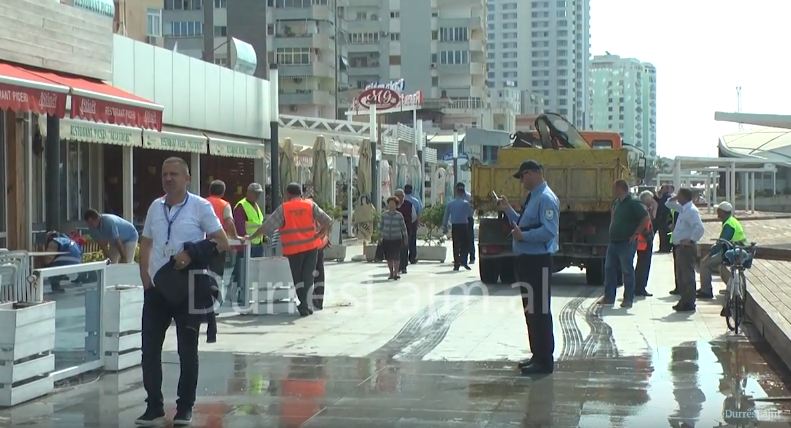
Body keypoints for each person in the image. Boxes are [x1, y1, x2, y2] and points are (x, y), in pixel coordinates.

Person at [136, 157, 229, 426]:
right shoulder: (155, 206)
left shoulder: (200, 206)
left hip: (187, 288)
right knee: (149, 350)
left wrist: (192, 253)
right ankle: (154, 406)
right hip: (156, 289)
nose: (168, 178)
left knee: (187, 351)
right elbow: (146, 241)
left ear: (187, 178)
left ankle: (184, 407)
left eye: (174, 174)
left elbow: (222, 242)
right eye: (165, 174)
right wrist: (145, 276)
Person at [497, 160, 559, 375]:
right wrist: (508, 210)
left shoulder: (546, 198)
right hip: (527, 260)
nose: (522, 181)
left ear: (534, 173)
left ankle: (545, 360)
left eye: (523, 176)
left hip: (538, 261)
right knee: (531, 311)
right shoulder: (533, 197)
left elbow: (549, 231)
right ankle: (537, 355)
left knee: (540, 311)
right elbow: (524, 223)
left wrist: (524, 237)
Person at [252, 183, 332, 316]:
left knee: (298, 278)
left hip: (293, 250)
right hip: (311, 248)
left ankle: (304, 304)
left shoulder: (284, 208)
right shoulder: (310, 205)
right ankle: (306, 304)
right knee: (308, 277)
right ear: (300, 193)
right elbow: (327, 220)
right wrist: (321, 233)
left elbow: (267, 227)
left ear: (287, 194)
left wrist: (251, 237)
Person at [599, 180, 649, 308]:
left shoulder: (633, 202)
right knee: (609, 269)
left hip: (626, 242)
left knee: (627, 271)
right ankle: (609, 297)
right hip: (613, 242)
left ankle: (628, 299)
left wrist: (636, 234)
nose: (613, 191)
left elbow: (645, 218)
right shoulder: (617, 203)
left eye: (615, 188)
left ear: (621, 188)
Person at [697, 202, 746, 311]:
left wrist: (709, 255)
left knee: (704, 263)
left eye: (718, 211)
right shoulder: (732, 221)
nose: (717, 213)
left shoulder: (728, 225)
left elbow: (721, 243)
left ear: (723, 212)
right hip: (737, 250)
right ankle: (706, 288)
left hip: (731, 252)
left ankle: (706, 291)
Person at [665, 188, 705, 312]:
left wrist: (691, 240)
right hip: (680, 247)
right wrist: (674, 198)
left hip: (686, 248)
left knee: (687, 276)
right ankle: (684, 300)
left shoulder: (691, 211)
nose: (677, 197)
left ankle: (689, 303)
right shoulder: (684, 209)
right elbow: (668, 204)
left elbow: (699, 228)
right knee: (681, 276)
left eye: (679, 195)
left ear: (683, 197)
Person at [442, 186, 474, 271]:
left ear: (456, 193)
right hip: (464, 226)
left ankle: (456, 264)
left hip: (455, 226)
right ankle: (464, 261)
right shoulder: (466, 204)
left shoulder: (450, 203)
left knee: (456, 245)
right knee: (465, 244)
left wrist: (444, 226)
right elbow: (470, 214)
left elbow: (446, 216)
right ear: (463, 193)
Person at [635, 191, 657, 297]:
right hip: (644, 242)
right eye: (651, 199)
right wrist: (647, 235)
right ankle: (640, 288)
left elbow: (652, 218)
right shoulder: (643, 210)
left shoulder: (643, 208)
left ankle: (638, 287)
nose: (652, 201)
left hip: (643, 242)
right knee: (643, 266)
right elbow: (643, 224)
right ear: (646, 199)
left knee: (641, 265)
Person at [380, 196, 408, 280]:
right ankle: (391, 273)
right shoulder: (384, 215)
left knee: (396, 257)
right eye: (390, 204)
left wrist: (405, 237)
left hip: (397, 239)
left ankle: (396, 273)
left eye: (393, 204)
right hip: (386, 239)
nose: (391, 205)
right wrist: (379, 237)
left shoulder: (399, 215)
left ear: (396, 205)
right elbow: (381, 227)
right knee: (389, 258)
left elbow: (403, 228)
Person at [233, 183, 265, 257]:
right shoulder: (241, 206)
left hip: (258, 243)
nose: (257, 196)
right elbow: (239, 226)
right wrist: (244, 238)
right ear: (248, 193)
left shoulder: (255, 205)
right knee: (244, 264)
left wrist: (263, 237)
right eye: (255, 193)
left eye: (259, 193)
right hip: (247, 244)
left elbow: (259, 223)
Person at [394, 189, 417, 275]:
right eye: (397, 195)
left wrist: (409, 224)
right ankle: (397, 267)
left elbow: (414, 217)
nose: (399, 197)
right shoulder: (393, 205)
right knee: (396, 249)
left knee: (404, 248)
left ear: (403, 196)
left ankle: (403, 266)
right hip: (394, 230)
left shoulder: (409, 205)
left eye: (401, 196)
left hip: (406, 230)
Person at [455, 182, 476, 263]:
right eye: (459, 190)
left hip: (468, 219)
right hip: (460, 220)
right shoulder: (457, 197)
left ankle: (472, 257)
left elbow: (472, 208)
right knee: (460, 240)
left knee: (470, 238)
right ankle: (462, 258)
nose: (460, 192)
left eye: (461, 190)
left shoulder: (469, 197)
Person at [403, 184, 423, 264]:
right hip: (412, 223)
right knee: (412, 240)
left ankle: (403, 257)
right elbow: (419, 213)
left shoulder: (401, 200)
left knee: (403, 241)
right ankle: (412, 258)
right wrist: (418, 222)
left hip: (402, 223)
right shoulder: (416, 201)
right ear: (412, 191)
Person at [654, 185, 674, 253]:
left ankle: (666, 248)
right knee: (662, 233)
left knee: (666, 233)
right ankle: (662, 248)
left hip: (666, 217)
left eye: (664, 188)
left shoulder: (668, 197)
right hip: (661, 217)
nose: (662, 190)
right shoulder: (660, 196)